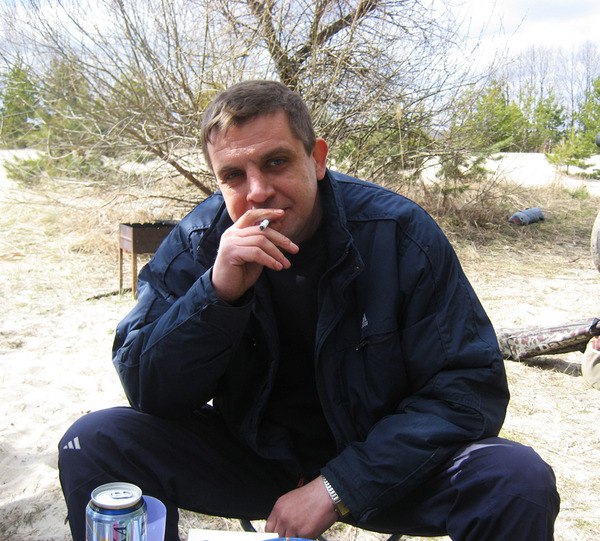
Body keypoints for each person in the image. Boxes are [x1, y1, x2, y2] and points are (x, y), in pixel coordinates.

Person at [58, 80, 560, 541]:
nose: (257, 191)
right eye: (233, 175)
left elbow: (468, 388)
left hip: (381, 462)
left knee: (516, 481)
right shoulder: (198, 244)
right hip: (252, 455)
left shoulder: (398, 234)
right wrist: (216, 295)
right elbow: (148, 389)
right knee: (93, 442)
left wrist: (339, 485)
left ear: (317, 159)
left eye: (276, 162)